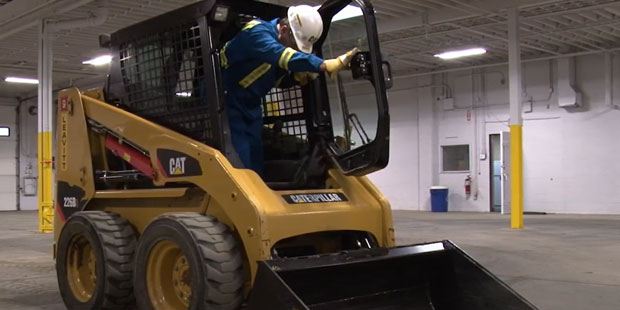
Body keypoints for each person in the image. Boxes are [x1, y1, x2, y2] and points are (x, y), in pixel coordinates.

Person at [221, 4, 358, 175]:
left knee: (255, 157)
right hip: (226, 101)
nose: (295, 49)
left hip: (250, 105)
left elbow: (271, 77)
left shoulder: (275, 46)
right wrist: (323, 65)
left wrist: (295, 78)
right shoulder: (257, 33)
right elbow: (284, 56)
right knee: (241, 158)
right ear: (284, 29)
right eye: (295, 44)